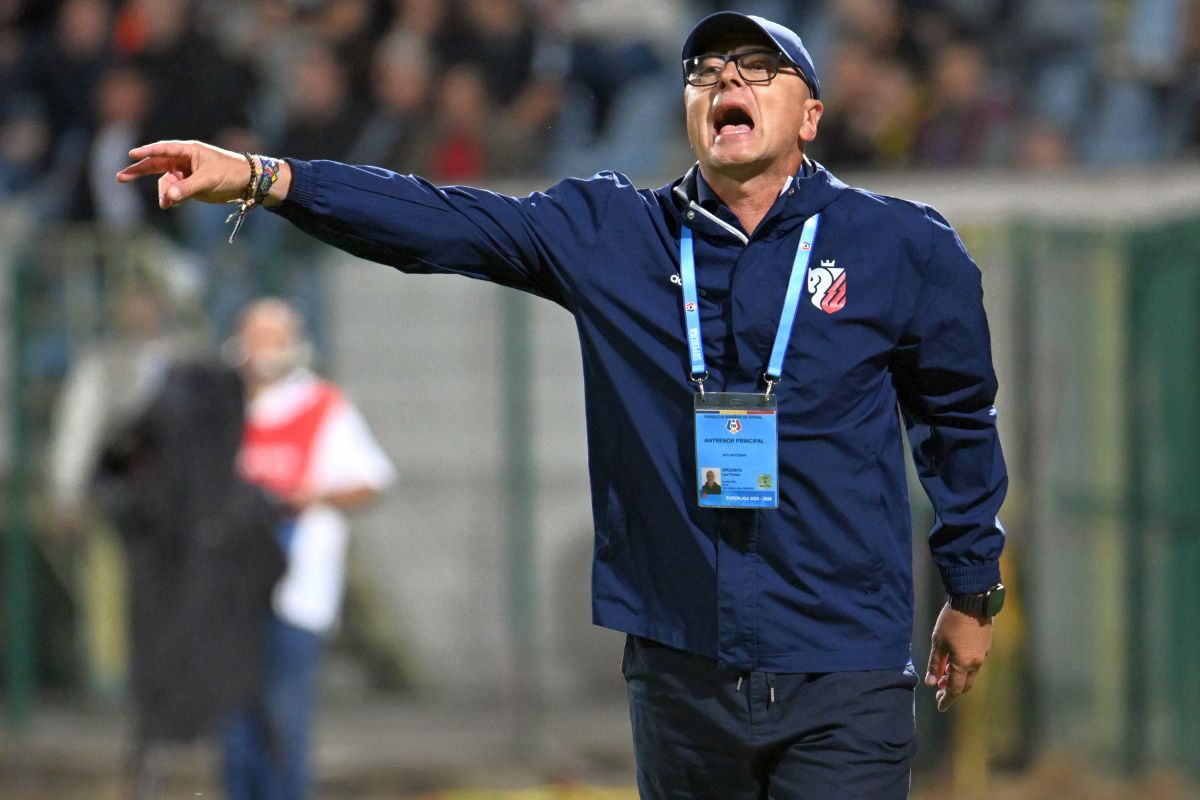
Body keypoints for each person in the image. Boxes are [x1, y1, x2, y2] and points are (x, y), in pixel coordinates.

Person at [117, 11, 1008, 798]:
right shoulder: (615, 232)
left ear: (811, 114)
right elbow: (440, 221)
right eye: (705, 72)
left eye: (756, 69)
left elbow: (958, 419)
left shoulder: (900, 245)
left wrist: (972, 588)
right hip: (682, 668)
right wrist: (266, 177)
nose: (726, 82)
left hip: (843, 665)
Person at [219, 297, 395, 800]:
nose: (263, 348)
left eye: (273, 337)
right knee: (233, 723)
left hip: (297, 587)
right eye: (255, 335)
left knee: (284, 718)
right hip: (228, 587)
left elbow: (372, 480)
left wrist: (311, 495)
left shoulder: (321, 404)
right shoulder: (222, 406)